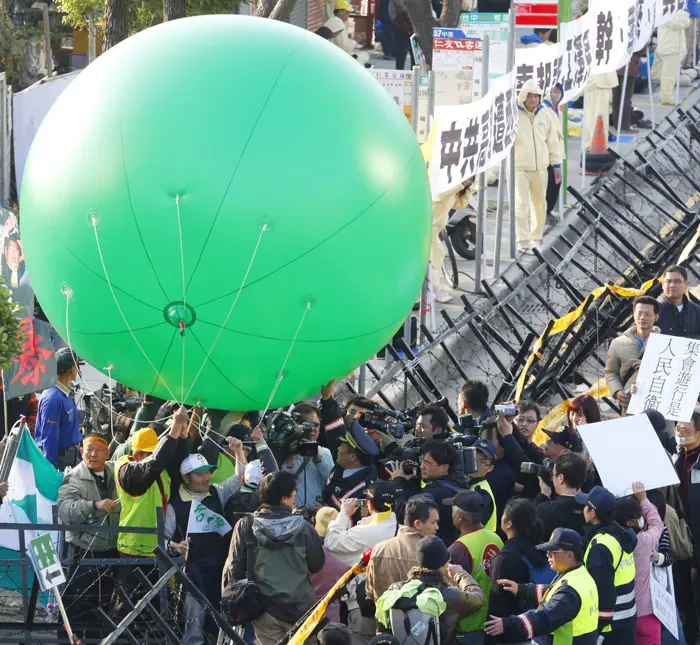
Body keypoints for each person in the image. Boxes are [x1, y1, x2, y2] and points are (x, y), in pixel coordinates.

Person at [223, 471, 325, 645]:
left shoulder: (246, 525)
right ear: (284, 499)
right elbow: (317, 565)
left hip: (264, 609)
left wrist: (232, 602)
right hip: (302, 609)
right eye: (293, 494)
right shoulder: (304, 528)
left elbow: (233, 568)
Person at [166, 447, 245, 645]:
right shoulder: (174, 506)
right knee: (194, 624)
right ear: (186, 478)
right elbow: (162, 539)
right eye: (200, 474)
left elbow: (239, 477)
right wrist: (174, 545)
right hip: (192, 572)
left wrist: (238, 452)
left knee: (220, 619)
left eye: (208, 472)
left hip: (220, 568)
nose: (206, 477)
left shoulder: (217, 492)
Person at [484, 528, 599, 645]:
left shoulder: (569, 591)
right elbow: (554, 592)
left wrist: (509, 624)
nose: (547, 555)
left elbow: (544, 618)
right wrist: (522, 589)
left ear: (569, 555)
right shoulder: (580, 575)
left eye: (553, 551)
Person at [57, 433, 120, 642]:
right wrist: (94, 505)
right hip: (83, 551)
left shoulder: (117, 472)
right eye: (88, 449)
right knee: (75, 606)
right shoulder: (74, 477)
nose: (92, 454)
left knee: (102, 607)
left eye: (98, 449)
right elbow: (65, 510)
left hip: (112, 551)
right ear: (81, 452)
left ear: (107, 452)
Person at [324, 482, 398, 645]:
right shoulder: (403, 530)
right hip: (397, 606)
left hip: (364, 605)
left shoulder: (363, 533)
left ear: (369, 504)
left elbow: (331, 543)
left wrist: (343, 513)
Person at [376, 535, 485, 645]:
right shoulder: (446, 595)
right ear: (444, 563)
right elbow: (478, 598)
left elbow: (382, 627)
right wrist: (460, 574)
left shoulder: (396, 591)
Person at [576, 485, 637, 644]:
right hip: (627, 617)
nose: (583, 509)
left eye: (586, 506)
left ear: (593, 513)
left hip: (610, 625)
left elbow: (603, 589)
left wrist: (599, 628)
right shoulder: (623, 534)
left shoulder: (600, 546)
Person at [487, 499, 551, 638]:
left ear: (509, 524)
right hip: (541, 630)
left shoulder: (506, 558)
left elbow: (496, 609)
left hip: (514, 633)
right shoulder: (545, 551)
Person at [446, 491, 503, 644]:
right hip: (493, 622)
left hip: (467, 627)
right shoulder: (496, 538)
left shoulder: (458, 549)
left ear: (459, 517)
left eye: (452, 511)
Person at [514, 80, 562, 255]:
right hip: (519, 167)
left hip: (540, 167)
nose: (533, 99)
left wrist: (556, 165)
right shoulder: (513, 115)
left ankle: (536, 238)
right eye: (530, 96)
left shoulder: (546, 115)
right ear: (523, 96)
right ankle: (523, 240)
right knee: (521, 204)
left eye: (537, 96)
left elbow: (553, 142)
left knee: (540, 205)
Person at [613, 482, 665, 645]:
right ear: (630, 522)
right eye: (639, 515)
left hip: (621, 614)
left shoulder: (609, 542)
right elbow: (657, 524)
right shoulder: (644, 541)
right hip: (646, 612)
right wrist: (644, 500)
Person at [365, 496, 440, 602]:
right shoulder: (431, 552)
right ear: (417, 523)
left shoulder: (378, 549)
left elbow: (369, 591)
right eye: (433, 522)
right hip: (421, 617)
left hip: (384, 616)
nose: (437, 527)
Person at [605, 295, 660, 412]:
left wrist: (648, 368)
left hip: (658, 406)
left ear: (656, 316)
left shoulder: (667, 343)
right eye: (639, 313)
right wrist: (617, 391)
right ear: (634, 315)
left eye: (648, 314)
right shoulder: (618, 343)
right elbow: (611, 372)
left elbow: (675, 374)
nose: (642, 317)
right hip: (630, 405)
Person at [673, 410, 700, 643]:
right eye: (677, 427)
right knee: (685, 596)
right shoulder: (678, 457)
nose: (680, 430)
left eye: (685, 426)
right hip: (683, 538)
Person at [35, 347, 84, 470]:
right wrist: (52, 472)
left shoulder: (63, 394)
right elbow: (49, 440)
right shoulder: (53, 399)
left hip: (71, 458)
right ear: (71, 368)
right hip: (61, 463)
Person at [280, 403, 334, 508]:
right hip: (291, 515)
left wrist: (317, 457)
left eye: (316, 425)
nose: (312, 429)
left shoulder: (324, 453)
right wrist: (290, 454)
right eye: (307, 424)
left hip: (315, 516)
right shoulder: (284, 451)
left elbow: (331, 480)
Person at [323, 422, 379, 516]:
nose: (338, 448)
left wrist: (324, 512)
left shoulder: (366, 490)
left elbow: (353, 519)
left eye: (342, 446)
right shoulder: (341, 466)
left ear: (352, 457)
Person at [536, 452, 588, 538]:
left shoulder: (545, 510)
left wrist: (544, 494)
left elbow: (533, 522)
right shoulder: (593, 507)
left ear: (561, 478)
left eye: (553, 474)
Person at [652, 10, 692, 105]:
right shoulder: (669, 12)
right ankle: (666, 98)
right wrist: (685, 12)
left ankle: (665, 94)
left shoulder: (663, 9)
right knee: (669, 75)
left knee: (663, 74)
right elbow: (681, 23)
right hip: (671, 47)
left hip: (666, 45)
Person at [542, 83, 565, 225]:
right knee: (548, 184)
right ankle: (544, 213)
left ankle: (547, 212)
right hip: (547, 154)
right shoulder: (544, 110)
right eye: (553, 91)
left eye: (558, 91)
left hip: (555, 154)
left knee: (554, 183)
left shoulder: (556, 110)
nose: (556, 94)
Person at [656, 265, 700, 339]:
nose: (672, 285)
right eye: (668, 281)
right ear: (662, 285)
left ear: (686, 284)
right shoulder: (652, 310)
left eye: (677, 281)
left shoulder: (697, 311)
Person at [467, 439, 499, 533]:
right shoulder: (468, 482)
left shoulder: (482, 492)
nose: (475, 464)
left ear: (490, 468)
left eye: (482, 461)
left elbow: (471, 527)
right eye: (473, 458)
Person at [584, 71, 618, 147]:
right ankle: (594, 144)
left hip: (597, 81)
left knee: (594, 117)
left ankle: (594, 144)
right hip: (599, 81)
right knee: (595, 117)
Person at [389, 0, 414, 71]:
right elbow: (391, 10)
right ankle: (399, 72)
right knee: (401, 52)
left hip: (418, 25)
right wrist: (396, 19)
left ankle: (415, 73)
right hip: (402, 25)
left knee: (415, 53)